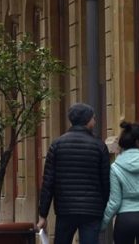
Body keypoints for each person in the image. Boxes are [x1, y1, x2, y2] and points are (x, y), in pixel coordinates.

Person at [37, 103, 110, 244]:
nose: (95, 122)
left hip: (65, 209)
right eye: (93, 118)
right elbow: (105, 182)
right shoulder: (99, 146)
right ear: (87, 120)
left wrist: (43, 214)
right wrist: (103, 206)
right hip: (92, 210)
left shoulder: (57, 145)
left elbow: (48, 183)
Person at [100, 122, 139, 243]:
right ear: (138, 142)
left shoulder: (115, 167)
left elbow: (115, 202)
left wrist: (103, 223)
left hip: (125, 219)